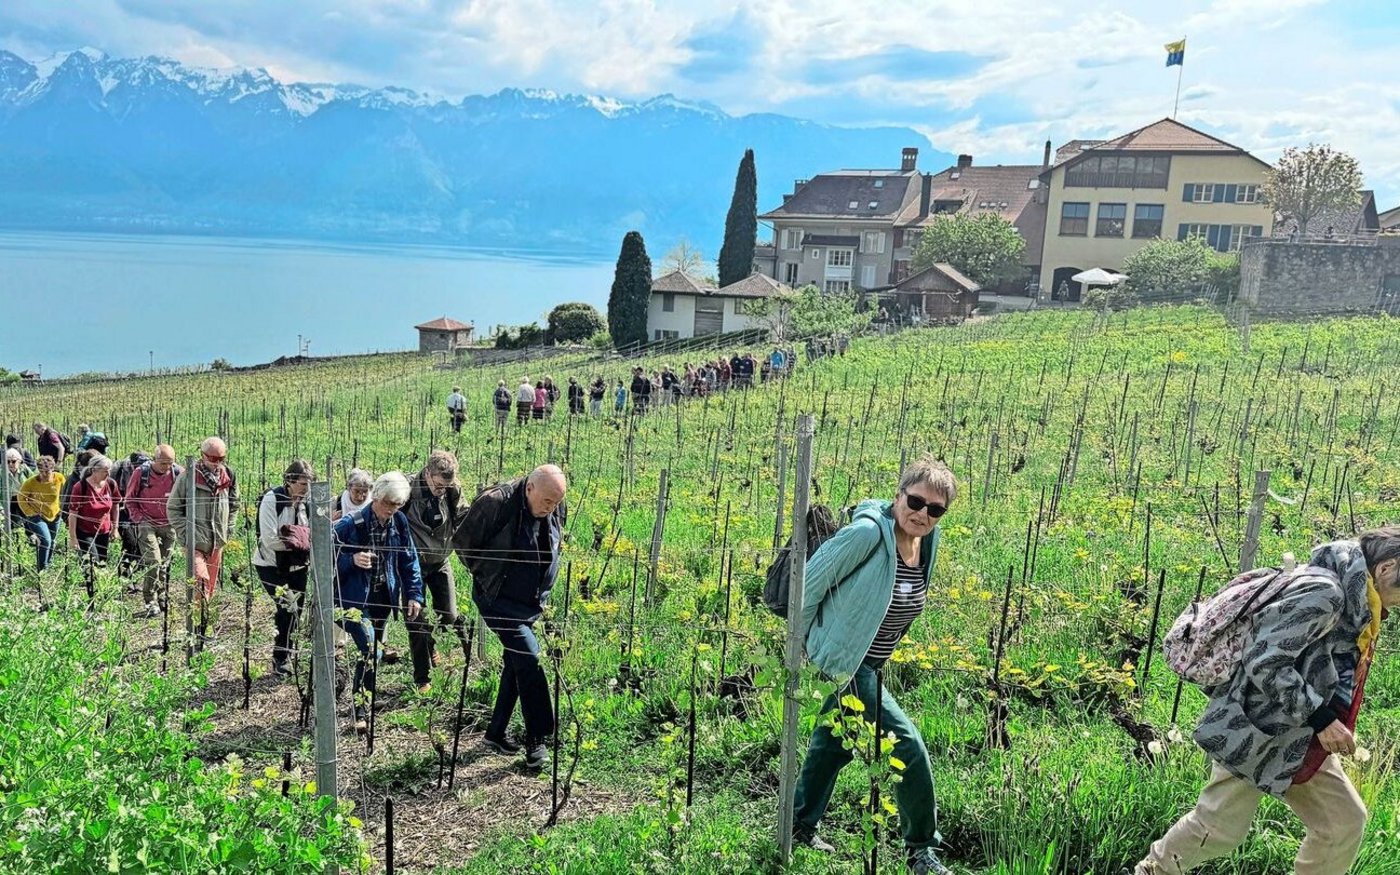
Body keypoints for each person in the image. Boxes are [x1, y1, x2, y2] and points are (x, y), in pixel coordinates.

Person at [1134, 528, 1400, 875]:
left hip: (1300, 737)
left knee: (1342, 823)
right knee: (1218, 830)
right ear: (1386, 568)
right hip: (1257, 728)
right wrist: (1321, 718)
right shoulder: (1327, 593)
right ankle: (1151, 871)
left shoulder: (1358, 599)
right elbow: (1263, 660)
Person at [793, 456, 956, 875]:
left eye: (935, 510)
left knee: (832, 743)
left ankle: (797, 825)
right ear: (898, 494)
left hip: (872, 661)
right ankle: (921, 848)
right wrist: (800, 648)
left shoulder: (926, 542)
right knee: (908, 747)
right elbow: (808, 583)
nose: (922, 514)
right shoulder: (868, 533)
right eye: (916, 502)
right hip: (847, 662)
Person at [456, 464, 567, 770]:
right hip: (498, 602)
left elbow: (554, 540)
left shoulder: (554, 503)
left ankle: (495, 733)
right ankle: (537, 738)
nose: (551, 508)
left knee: (517, 661)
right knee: (530, 658)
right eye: (547, 501)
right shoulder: (496, 502)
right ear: (529, 488)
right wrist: (487, 576)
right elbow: (462, 543)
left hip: (531, 603)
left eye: (556, 503)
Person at [334, 471, 425, 731]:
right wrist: (350, 561)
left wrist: (414, 594)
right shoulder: (350, 524)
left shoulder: (400, 523)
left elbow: (409, 559)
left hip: (382, 597)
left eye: (397, 505)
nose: (391, 510)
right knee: (371, 650)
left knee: (371, 651)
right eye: (387, 504)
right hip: (352, 600)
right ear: (376, 497)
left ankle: (366, 697)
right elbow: (321, 557)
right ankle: (359, 710)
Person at [403, 451, 468, 694]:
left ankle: (434, 647)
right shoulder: (406, 489)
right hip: (413, 566)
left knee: (449, 615)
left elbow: (462, 516)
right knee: (416, 621)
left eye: (447, 486)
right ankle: (422, 678)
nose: (442, 490)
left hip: (441, 561)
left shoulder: (453, 490)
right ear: (427, 474)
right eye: (439, 485)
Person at [167, 437, 238, 637]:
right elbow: (173, 509)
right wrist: (187, 533)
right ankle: (197, 625)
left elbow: (235, 504)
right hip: (195, 542)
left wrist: (229, 527)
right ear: (202, 455)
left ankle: (205, 626)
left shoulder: (228, 476)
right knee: (200, 581)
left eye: (221, 458)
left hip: (217, 541)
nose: (216, 462)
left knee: (211, 587)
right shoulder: (188, 477)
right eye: (212, 458)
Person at [251, 460, 314, 676]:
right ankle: (280, 657)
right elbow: (269, 539)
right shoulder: (273, 499)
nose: (306, 489)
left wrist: (300, 542)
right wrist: (299, 543)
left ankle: (289, 652)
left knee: (297, 611)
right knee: (287, 606)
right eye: (303, 484)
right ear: (289, 481)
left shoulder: (308, 502)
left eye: (309, 484)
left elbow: (315, 531)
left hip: (299, 565)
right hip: (270, 564)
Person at [126, 445, 181, 618]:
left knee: (164, 563)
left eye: (170, 463)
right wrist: (139, 520)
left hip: (170, 523)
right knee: (153, 562)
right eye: (163, 463)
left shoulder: (178, 473)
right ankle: (150, 600)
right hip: (147, 522)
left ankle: (162, 595)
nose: (167, 467)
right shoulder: (140, 473)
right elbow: (130, 499)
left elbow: (187, 497)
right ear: (154, 460)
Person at [67, 455, 121, 568]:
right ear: (94, 470)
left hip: (104, 531)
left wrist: (115, 528)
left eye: (109, 471)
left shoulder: (111, 484)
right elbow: (73, 513)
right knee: (91, 562)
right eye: (105, 471)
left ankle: (98, 585)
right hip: (85, 531)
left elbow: (116, 506)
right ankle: (90, 584)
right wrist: (73, 538)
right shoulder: (81, 487)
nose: (108, 474)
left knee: (102, 563)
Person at [18, 455, 64, 571]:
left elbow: (65, 494)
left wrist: (61, 509)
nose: (44, 474)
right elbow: (21, 498)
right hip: (37, 516)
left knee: (52, 541)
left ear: (52, 469)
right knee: (46, 540)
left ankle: (48, 563)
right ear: (38, 470)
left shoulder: (59, 478)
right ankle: (42, 568)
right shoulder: (30, 483)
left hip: (54, 514)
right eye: (42, 471)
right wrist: (30, 512)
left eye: (47, 471)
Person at [113, 449, 153, 580]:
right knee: (129, 542)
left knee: (141, 545)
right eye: (137, 465)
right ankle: (124, 577)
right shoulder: (119, 471)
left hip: (141, 511)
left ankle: (135, 575)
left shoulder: (147, 472)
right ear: (131, 464)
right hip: (122, 511)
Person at [4, 448, 32, 532]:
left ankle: (31, 538)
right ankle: (14, 538)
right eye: (8, 461)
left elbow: (33, 481)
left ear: (19, 461)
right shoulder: (2, 472)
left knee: (28, 520)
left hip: (23, 498)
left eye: (13, 461)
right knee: (11, 521)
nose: (10, 464)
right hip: (9, 499)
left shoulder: (25, 470)